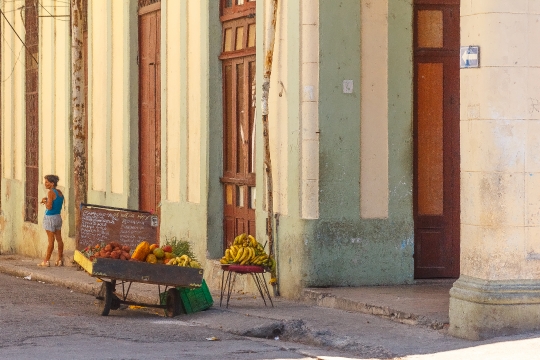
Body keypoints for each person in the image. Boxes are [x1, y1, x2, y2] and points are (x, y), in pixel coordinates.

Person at [38, 175, 64, 267]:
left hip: (50, 218)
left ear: (52, 183)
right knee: (59, 239)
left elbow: (49, 207)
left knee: (51, 241)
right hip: (58, 217)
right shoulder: (59, 192)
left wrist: (45, 201)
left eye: (47, 182)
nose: (45, 184)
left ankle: (46, 261)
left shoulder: (50, 192)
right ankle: (59, 260)